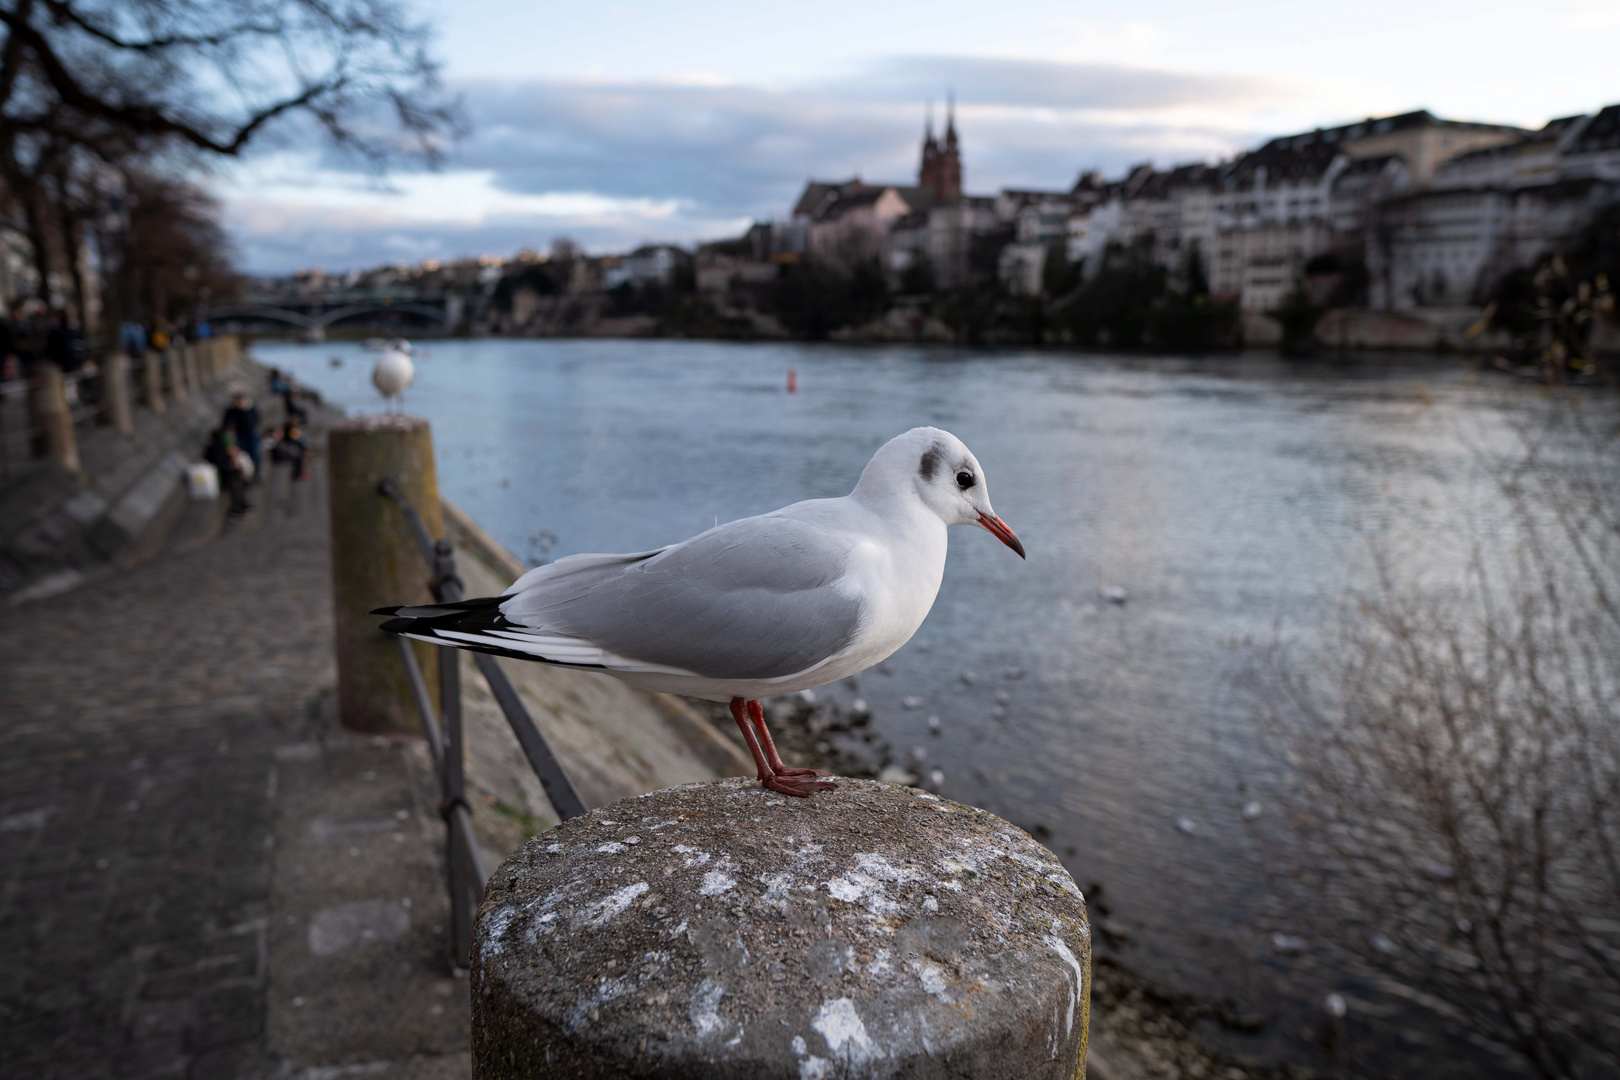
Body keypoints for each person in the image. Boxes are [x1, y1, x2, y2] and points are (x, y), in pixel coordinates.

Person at [204, 427, 251, 518]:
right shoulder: (216, 449)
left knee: (238, 480)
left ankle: (242, 504)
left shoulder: (219, 447)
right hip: (221, 475)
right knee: (236, 481)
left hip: (225, 473)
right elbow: (223, 466)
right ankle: (238, 506)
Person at [222, 392, 262, 479]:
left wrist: (245, 410)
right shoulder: (231, 411)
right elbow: (227, 424)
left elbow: (254, 421)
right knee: (243, 455)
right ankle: (245, 475)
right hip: (239, 436)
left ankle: (256, 474)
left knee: (255, 455)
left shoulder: (250, 409)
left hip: (251, 436)